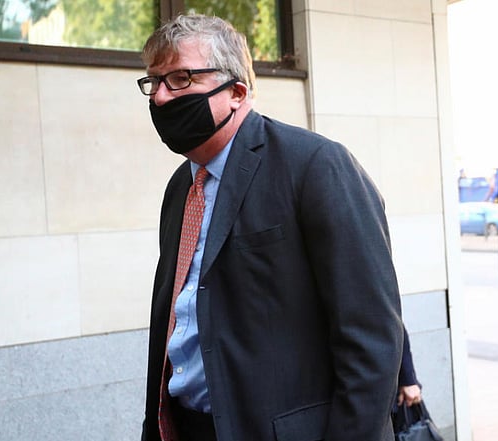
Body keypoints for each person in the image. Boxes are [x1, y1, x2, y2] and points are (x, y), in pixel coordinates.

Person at [137, 14, 404, 441]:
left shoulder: (316, 165)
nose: (162, 97)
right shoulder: (180, 188)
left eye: (181, 78)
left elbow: (371, 338)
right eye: (154, 82)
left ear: (237, 92)